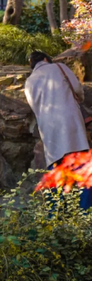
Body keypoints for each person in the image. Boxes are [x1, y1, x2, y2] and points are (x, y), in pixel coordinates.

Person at [25, 50, 92, 209]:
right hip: (71, 126)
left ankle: (55, 219)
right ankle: (85, 214)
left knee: (55, 175)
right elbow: (77, 88)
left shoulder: (29, 81)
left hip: (49, 132)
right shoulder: (59, 67)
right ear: (46, 58)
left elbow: (34, 107)